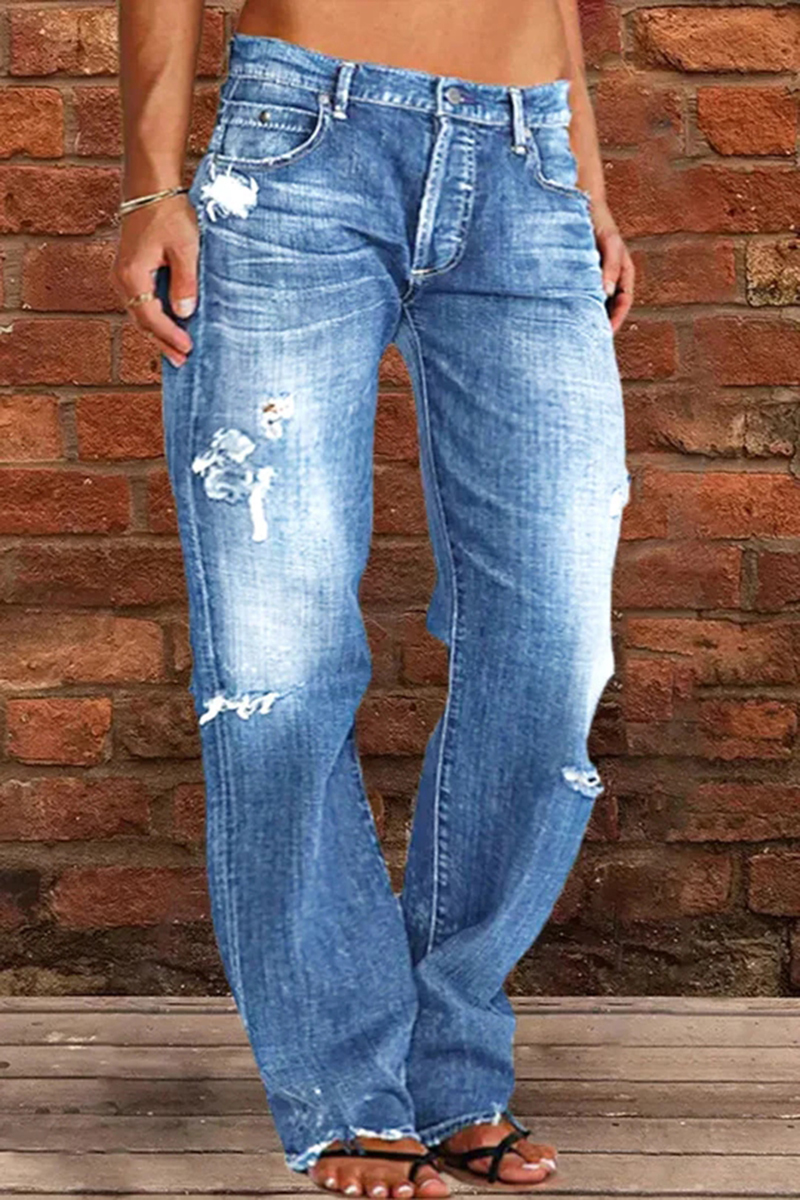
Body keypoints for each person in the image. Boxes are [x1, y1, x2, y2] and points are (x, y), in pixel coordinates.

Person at [113, 0, 634, 1194]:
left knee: (553, 649)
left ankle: (450, 1058)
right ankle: (345, 1084)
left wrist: (585, 180)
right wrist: (150, 188)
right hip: (302, 145)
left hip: (529, 162)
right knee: (280, 668)